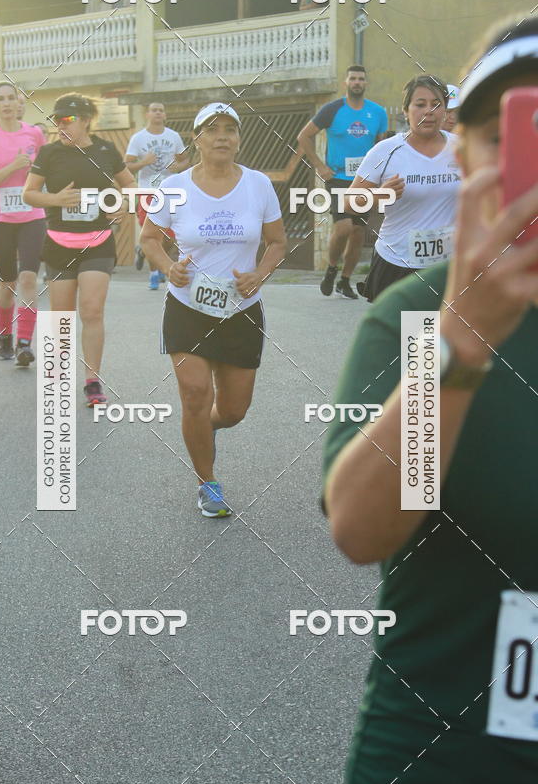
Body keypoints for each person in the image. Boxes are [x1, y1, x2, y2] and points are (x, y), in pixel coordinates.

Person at [323, 14, 538, 784]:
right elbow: (362, 530)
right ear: (466, 157)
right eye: (506, 132)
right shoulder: (413, 316)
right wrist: (461, 343)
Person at [141, 103, 287, 517]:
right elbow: (149, 238)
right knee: (194, 395)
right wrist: (168, 267)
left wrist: (259, 274)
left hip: (241, 309)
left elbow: (277, 242)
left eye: (230, 129)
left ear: (238, 139)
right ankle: (207, 483)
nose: (222, 136)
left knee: (234, 410)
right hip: (188, 306)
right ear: (197, 138)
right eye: (212, 129)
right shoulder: (174, 186)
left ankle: (204, 430)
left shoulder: (258, 185)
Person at [23, 93, 135, 407]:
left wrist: (124, 204)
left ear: (86, 120)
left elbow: (130, 185)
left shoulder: (105, 150)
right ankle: (59, 377)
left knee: (92, 310)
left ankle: (92, 381)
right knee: (62, 317)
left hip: (98, 242)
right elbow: (29, 193)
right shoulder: (49, 152)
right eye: (57, 120)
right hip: (59, 243)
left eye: (68, 119)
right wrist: (55, 200)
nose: (61, 125)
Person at [350, 76, 460, 302]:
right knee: (413, 327)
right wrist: (379, 195)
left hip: (449, 265)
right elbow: (350, 201)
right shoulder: (386, 151)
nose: (428, 111)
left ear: (445, 110)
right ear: (406, 111)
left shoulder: (461, 148)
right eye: (420, 104)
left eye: (436, 104)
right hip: (398, 263)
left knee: (444, 326)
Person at [298, 66, 388, 298]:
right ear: (345, 83)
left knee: (358, 232)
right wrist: (319, 166)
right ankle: (331, 268)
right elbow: (304, 136)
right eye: (353, 79)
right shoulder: (332, 109)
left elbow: (381, 147)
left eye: (361, 79)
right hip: (338, 179)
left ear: (366, 83)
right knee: (344, 227)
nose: (357, 82)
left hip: (364, 180)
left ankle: (345, 280)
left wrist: (381, 176)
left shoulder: (378, 113)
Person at [0, 81, 46, 364]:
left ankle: (24, 344)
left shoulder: (34, 133)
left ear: (19, 102)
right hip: (1, 218)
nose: (6, 103)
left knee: (28, 277)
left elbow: (47, 170)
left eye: (10, 98)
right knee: (8, 283)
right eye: (0, 99)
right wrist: (13, 167)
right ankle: (5, 335)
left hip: (33, 216)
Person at [125, 101, 190, 289]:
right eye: (154, 110)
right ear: (147, 114)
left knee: (169, 237)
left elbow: (185, 159)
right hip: (148, 191)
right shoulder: (138, 138)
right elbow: (127, 165)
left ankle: (145, 253)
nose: (158, 113)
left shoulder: (173, 136)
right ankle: (154, 274)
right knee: (151, 235)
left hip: (170, 192)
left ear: (165, 115)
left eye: (161, 110)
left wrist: (178, 166)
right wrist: (144, 162)